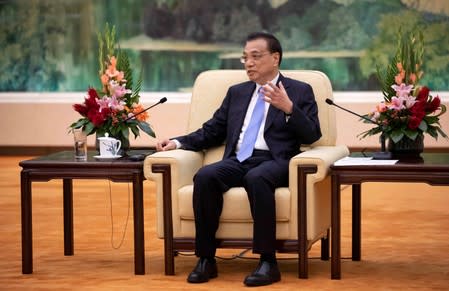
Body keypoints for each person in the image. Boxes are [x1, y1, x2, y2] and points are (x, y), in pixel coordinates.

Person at [156, 32, 321, 287]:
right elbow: (212, 130)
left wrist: (289, 108)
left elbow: (312, 134)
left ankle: (268, 262)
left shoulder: (299, 91)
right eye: (245, 58)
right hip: (239, 158)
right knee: (206, 176)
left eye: (255, 57)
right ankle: (206, 259)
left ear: (275, 58)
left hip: (276, 160)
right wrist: (177, 142)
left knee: (257, 178)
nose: (248, 63)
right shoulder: (237, 93)